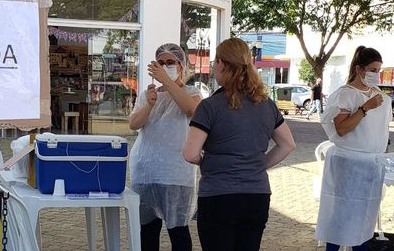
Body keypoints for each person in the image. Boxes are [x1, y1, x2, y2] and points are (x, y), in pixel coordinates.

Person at [183, 38, 296, 251]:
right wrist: (257, 165)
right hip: (257, 196)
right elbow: (287, 145)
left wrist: (207, 163)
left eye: (216, 61)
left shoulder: (210, 106)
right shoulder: (266, 105)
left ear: (222, 64)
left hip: (218, 196)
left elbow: (190, 154)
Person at [315, 46, 392, 251]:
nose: (376, 75)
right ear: (359, 69)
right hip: (348, 165)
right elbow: (341, 129)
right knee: (340, 216)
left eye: (378, 71)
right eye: (373, 70)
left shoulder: (378, 95)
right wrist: (365, 108)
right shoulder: (345, 95)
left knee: (365, 216)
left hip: (370, 165)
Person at [128, 43, 202, 251]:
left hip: (176, 174)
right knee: (148, 232)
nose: (165, 66)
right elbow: (134, 124)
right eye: (161, 63)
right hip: (146, 172)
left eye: (171, 62)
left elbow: (191, 110)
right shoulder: (148, 94)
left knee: (178, 232)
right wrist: (149, 104)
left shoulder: (191, 92)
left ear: (181, 65)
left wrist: (167, 81)